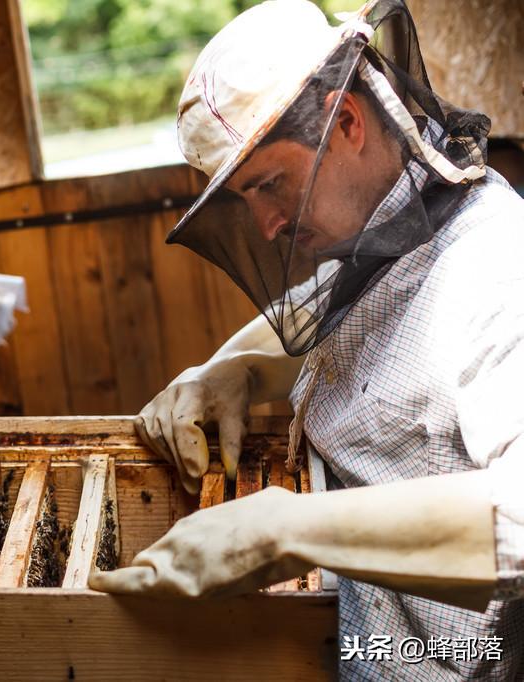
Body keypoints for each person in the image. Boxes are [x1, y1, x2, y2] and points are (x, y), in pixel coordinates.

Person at [87, 0, 524, 678]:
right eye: (243, 197)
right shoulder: (391, 227)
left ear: (345, 121)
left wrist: (279, 531)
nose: (263, 224)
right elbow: (327, 319)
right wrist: (228, 369)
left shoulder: (499, 267)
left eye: (269, 184)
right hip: (360, 634)